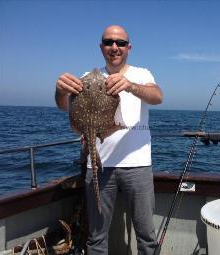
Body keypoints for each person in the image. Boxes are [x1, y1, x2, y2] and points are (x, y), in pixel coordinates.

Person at [55, 25, 163, 255]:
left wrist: (131, 86)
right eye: (109, 42)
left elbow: (158, 96)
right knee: (96, 236)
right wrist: (61, 91)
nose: (115, 47)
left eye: (120, 43)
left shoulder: (142, 74)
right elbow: (64, 106)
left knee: (146, 234)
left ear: (128, 47)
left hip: (138, 165)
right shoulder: (86, 78)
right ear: (101, 46)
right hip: (99, 165)